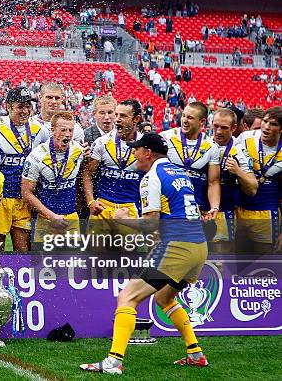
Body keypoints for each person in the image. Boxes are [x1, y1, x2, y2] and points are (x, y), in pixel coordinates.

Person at [81, 133, 209, 374]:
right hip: (198, 247)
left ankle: (113, 361)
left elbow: (151, 225)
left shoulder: (151, 177)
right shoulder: (179, 171)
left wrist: (124, 219)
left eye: (137, 149)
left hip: (178, 247)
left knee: (127, 297)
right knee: (164, 298)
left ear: (148, 153)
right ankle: (195, 353)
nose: (134, 154)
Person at [0, 87, 49, 252]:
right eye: (20, 106)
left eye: (28, 106)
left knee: (23, 250)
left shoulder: (40, 130)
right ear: (9, 106)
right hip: (1, 197)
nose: (26, 110)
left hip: (25, 198)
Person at [83, 100, 144, 240]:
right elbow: (87, 174)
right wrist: (91, 201)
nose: (117, 120)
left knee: (127, 260)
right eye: (116, 115)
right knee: (95, 259)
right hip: (102, 208)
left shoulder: (145, 145)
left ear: (136, 119)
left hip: (130, 209)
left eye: (123, 116)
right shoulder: (102, 142)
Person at [22, 111, 86, 243]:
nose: (67, 134)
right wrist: (52, 216)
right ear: (52, 130)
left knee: (70, 263)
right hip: (45, 219)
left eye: (70, 130)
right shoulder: (36, 157)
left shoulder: (79, 151)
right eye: (63, 130)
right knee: (43, 263)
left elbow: (84, 178)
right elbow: (26, 193)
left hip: (71, 218)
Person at [160, 102, 221, 219]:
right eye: (183, 116)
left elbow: (213, 182)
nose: (184, 120)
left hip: (196, 209)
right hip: (168, 208)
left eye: (190, 117)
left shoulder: (211, 146)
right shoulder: (166, 138)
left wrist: (214, 207)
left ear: (202, 122)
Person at [210, 108, 257, 252]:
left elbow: (253, 188)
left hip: (224, 211)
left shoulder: (239, 151)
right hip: (200, 211)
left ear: (234, 128)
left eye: (224, 128)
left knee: (221, 260)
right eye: (216, 126)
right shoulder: (203, 145)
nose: (218, 131)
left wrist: (238, 171)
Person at [236, 107, 282, 252]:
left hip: (267, 213)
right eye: (265, 121)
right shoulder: (245, 138)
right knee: (235, 261)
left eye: (273, 124)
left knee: (264, 264)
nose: (266, 127)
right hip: (239, 209)